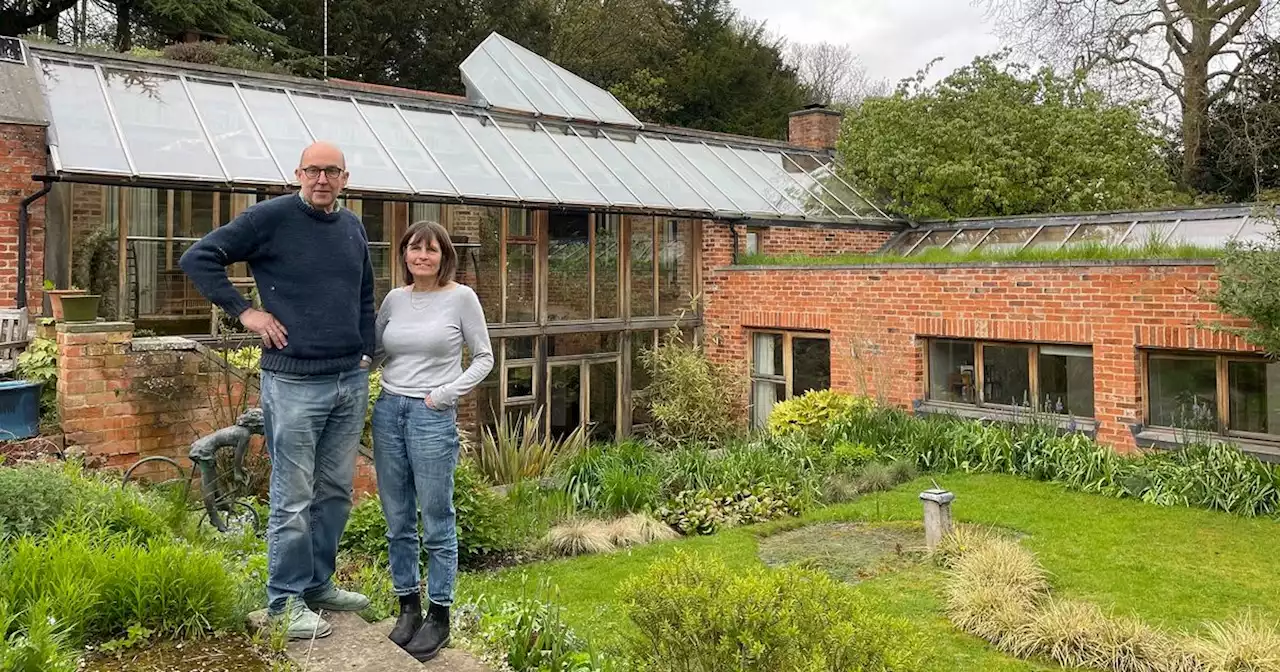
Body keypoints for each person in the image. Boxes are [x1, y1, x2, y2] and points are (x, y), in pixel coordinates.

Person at [179, 141, 374, 640]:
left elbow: (364, 291)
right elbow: (200, 258)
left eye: (332, 171)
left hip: (349, 379)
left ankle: (317, 585)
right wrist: (246, 312)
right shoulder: (269, 219)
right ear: (298, 174)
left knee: (334, 492)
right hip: (293, 382)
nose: (322, 179)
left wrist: (366, 351)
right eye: (313, 170)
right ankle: (284, 601)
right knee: (293, 496)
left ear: (345, 177)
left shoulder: (352, 226)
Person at [371, 220, 493, 662]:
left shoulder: (461, 298)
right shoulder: (394, 299)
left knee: (437, 518)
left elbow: (484, 358)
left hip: (430, 416)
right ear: (404, 254)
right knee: (397, 517)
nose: (421, 256)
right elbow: (376, 350)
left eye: (431, 250)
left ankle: (439, 615)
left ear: (444, 257)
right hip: (388, 411)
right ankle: (408, 607)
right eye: (414, 249)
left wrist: (443, 396)